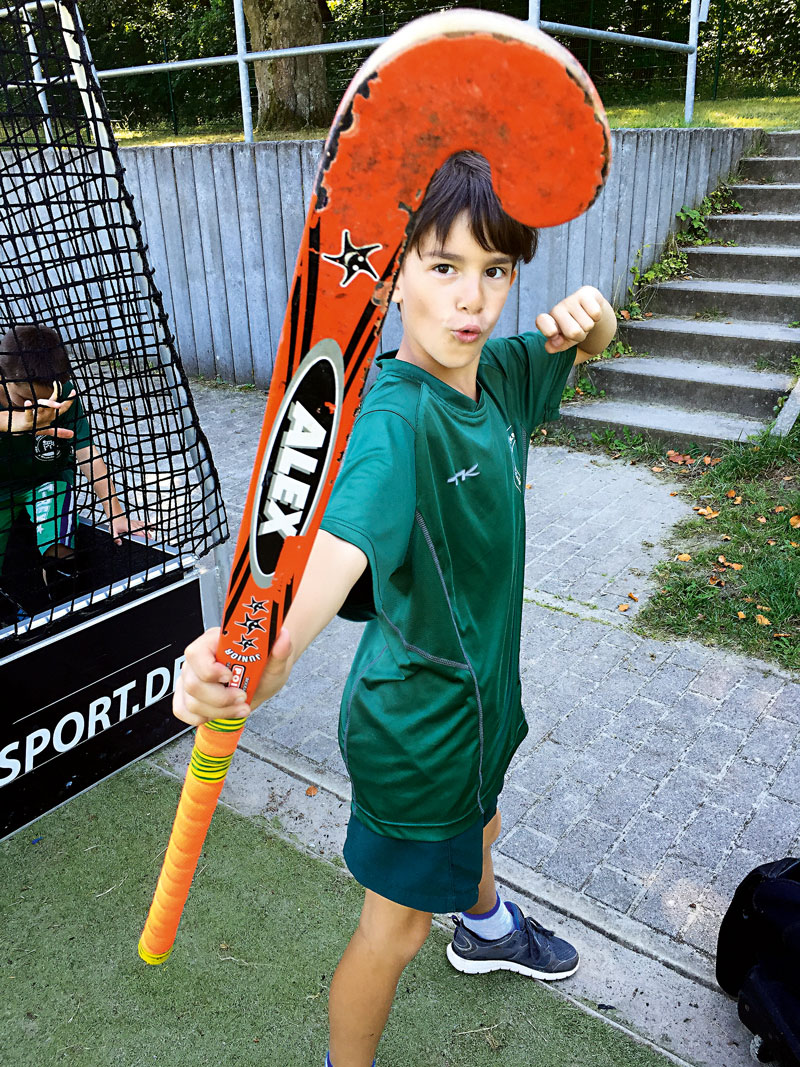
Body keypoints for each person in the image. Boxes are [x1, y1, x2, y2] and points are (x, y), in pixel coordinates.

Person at [174, 151, 618, 1067]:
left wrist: (598, 316)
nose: (475, 299)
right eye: (445, 266)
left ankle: (488, 927)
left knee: (485, 816)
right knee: (395, 932)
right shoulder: (392, 424)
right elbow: (327, 561)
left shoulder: (494, 374)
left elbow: (581, 342)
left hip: (485, 702)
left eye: (496, 270)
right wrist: (257, 658)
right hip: (417, 733)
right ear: (394, 273)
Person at [0, 324, 147, 605]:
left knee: (59, 544)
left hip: (46, 479)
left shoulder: (64, 395)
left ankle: (57, 608)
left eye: (45, 400)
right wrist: (15, 422)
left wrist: (115, 512)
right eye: (24, 400)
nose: (36, 409)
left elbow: (87, 452)